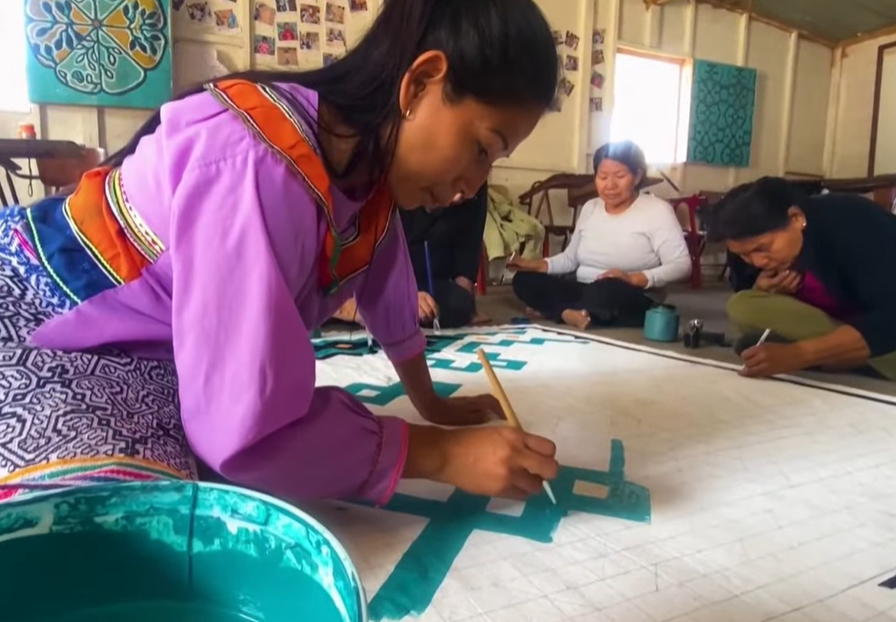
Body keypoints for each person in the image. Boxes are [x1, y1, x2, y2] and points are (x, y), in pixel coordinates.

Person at [0, 0, 561, 503]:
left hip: (152, 346)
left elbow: (388, 292)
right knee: (116, 513)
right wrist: (436, 453)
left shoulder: (368, 175)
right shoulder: (257, 163)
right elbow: (243, 433)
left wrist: (430, 401)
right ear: (420, 84)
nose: (473, 183)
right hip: (42, 313)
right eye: (482, 148)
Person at [705, 176, 896, 380]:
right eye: (744, 255)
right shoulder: (759, 248)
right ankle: (844, 353)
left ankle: (849, 357)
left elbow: (889, 318)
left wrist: (800, 354)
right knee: (742, 304)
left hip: (884, 319)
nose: (757, 261)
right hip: (845, 319)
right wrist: (762, 290)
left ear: (796, 218)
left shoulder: (854, 225)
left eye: (762, 248)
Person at [509, 141, 691, 329]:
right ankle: (569, 313)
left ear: (637, 176)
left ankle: (561, 309)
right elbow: (570, 259)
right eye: (602, 177)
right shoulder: (591, 207)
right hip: (585, 287)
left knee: (604, 291)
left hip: (628, 292)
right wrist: (534, 265)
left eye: (619, 176)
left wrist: (632, 279)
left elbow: (681, 265)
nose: (610, 185)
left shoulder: (657, 210)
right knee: (524, 280)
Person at [333, 183, 488, 329]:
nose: (457, 198)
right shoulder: (385, 182)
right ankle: (358, 308)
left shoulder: (475, 184)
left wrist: (464, 311)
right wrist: (397, 297)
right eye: (454, 182)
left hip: (424, 284)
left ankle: (392, 310)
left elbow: (466, 263)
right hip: (368, 284)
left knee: (458, 304)